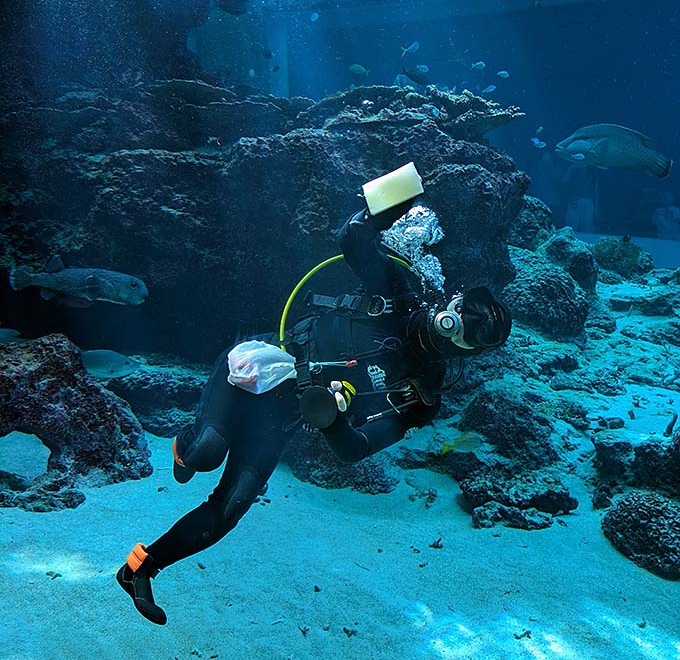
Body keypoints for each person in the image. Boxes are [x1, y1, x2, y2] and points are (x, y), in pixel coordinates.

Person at [116, 164, 512, 625]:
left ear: (470, 350)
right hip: (255, 367)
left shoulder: (423, 394)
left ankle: (140, 569)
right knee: (207, 452)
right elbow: (354, 238)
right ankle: (184, 450)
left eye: (470, 332)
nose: (456, 320)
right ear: (454, 300)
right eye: (463, 309)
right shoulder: (402, 290)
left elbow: (354, 450)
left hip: (281, 417)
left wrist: (333, 417)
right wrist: (395, 197)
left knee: (232, 505)